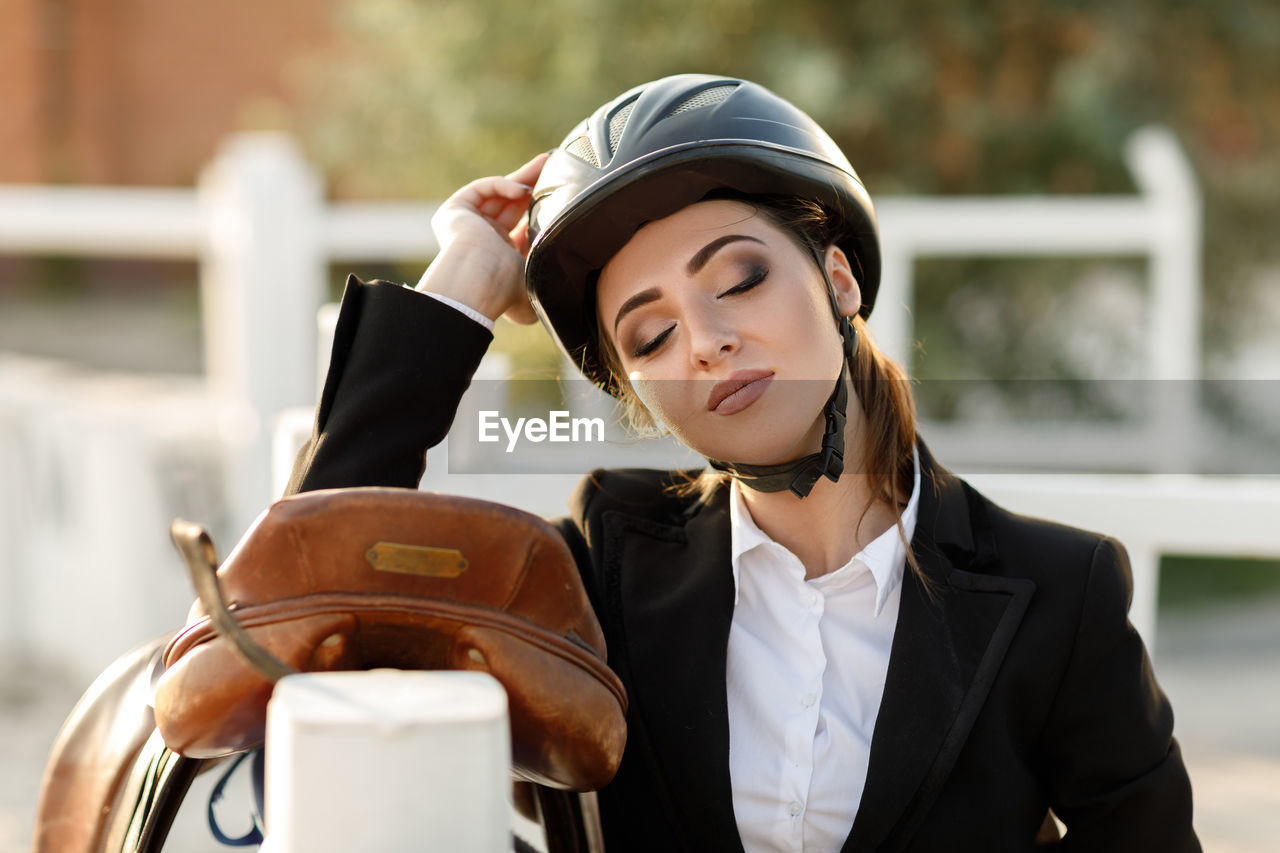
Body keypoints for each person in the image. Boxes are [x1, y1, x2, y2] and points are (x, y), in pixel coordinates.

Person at [286, 74, 1199, 852]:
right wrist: (463, 286)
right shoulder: (602, 566)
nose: (709, 343)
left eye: (739, 279)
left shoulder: (1059, 591)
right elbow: (303, 600)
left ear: (839, 280)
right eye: (652, 334)